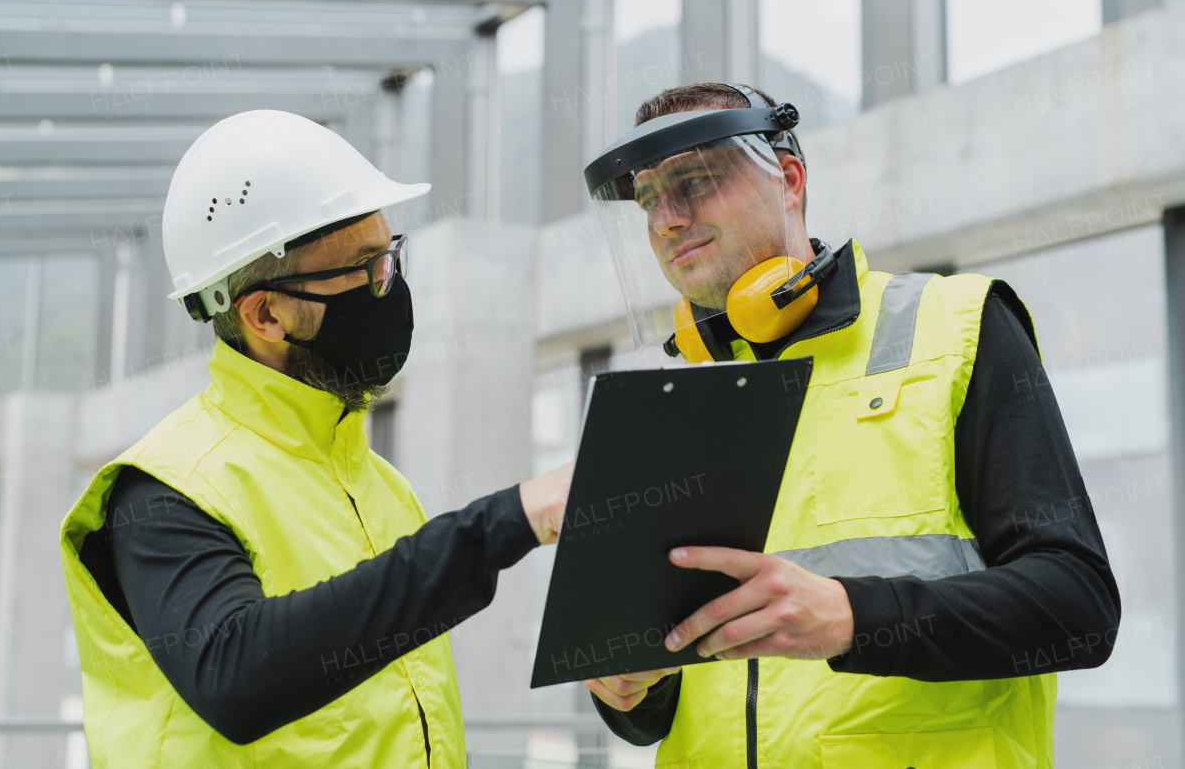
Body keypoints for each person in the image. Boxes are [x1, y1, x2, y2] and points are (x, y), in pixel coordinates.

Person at [581, 84, 1120, 768]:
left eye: (695, 181)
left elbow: (1078, 606)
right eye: (651, 197)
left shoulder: (955, 325)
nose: (667, 219)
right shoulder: (671, 402)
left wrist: (853, 617)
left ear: (790, 180)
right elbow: (664, 701)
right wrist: (629, 690)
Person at [59, 110, 571, 768]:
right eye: (366, 268)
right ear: (265, 313)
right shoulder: (165, 488)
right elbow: (235, 673)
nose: (389, 287)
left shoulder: (382, 486)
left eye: (390, 257)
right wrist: (501, 524)